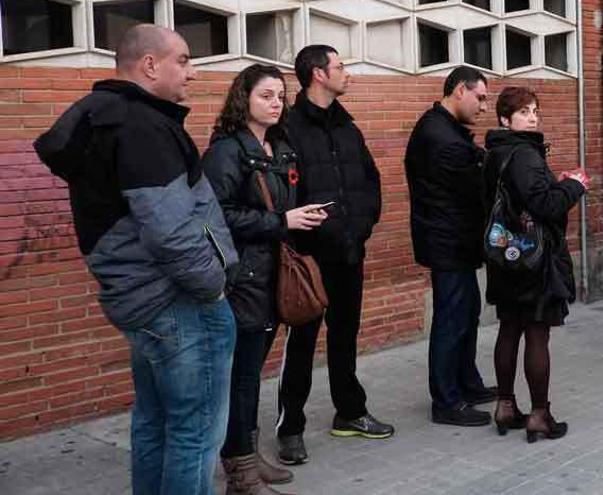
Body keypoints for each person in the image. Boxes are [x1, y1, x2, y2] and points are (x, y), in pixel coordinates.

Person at [33, 24, 237, 494]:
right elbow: (171, 232)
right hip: (179, 304)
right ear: (149, 65)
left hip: (146, 303)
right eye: (184, 60)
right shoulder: (141, 125)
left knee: (155, 421)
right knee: (195, 433)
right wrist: (214, 285)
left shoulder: (109, 118)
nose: (193, 72)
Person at [202, 64, 331, 494]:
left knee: (251, 374)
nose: (276, 103)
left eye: (279, 96)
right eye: (265, 96)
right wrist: (282, 219)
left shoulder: (279, 147)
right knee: (241, 377)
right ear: (244, 99)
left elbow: (278, 209)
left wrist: (300, 215)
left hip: (273, 274)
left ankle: (247, 455)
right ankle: (240, 473)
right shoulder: (227, 151)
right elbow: (215, 215)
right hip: (243, 279)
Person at [276, 45, 393, 465]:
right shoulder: (287, 128)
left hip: (349, 251)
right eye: (341, 67)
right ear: (318, 75)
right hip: (308, 259)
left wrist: (362, 224)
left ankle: (350, 412)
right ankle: (290, 428)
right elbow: (280, 192)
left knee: (345, 336)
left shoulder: (347, 126)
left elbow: (370, 180)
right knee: (302, 344)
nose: (348, 74)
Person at [483, 87, 588, 443]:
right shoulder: (524, 154)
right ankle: (540, 414)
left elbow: (516, 199)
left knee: (509, 328)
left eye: (534, 111)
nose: (532, 117)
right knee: (536, 332)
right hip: (533, 259)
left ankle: (506, 405)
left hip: (505, 254)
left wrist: (551, 184)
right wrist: (574, 186)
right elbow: (545, 206)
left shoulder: (494, 153)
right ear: (504, 119)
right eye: (524, 112)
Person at [404, 66, 498, 427]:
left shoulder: (444, 128)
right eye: (481, 97)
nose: (484, 107)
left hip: (454, 239)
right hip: (447, 241)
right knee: (452, 319)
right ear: (460, 90)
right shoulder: (440, 136)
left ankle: (467, 383)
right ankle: (446, 401)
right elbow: (474, 190)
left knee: (467, 312)